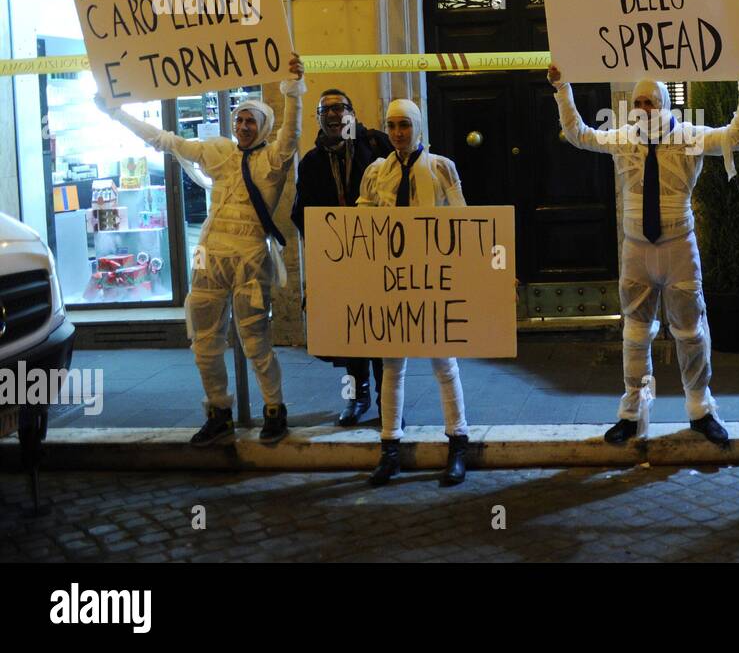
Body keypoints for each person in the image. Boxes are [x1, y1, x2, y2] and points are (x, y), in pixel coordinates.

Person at [96, 55, 306, 446]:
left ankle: (274, 410)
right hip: (208, 256)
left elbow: (292, 133)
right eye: (240, 119)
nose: (243, 126)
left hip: (248, 259)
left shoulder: (273, 160)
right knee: (205, 341)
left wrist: (293, 89)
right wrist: (117, 114)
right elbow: (164, 140)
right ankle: (218, 411)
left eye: (251, 121)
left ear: (263, 127)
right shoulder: (218, 152)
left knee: (256, 340)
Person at [548, 60, 739, 447]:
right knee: (635, 333)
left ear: (664, 103)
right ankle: (632, 413)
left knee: (691, 331)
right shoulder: (624, 138)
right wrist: (563, 89)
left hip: (678, 245)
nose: (644, 107)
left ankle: (700, 409)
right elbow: (578, 134)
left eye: (651, 101)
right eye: (639, 101)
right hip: (636, 249)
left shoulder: (688, 136)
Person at [357, 98, 471, 486]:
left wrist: (489, 271)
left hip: (433, 277)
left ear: (417, 126)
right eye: (391, 126)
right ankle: (390, 447)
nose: (397, 133)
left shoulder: (441, 167)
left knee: (444, 363)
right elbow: (359, 225)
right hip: (392, 278)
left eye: (404, 125)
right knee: (392, 365)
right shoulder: (375, 172)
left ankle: (458, 441)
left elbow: (464, 220)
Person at [290, 89, 393, 426]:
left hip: (378, 259)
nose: (333, 115)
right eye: (326, 110)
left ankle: (388, 401)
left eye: (340, 108)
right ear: (318, 118)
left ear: (353, 112)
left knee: (382, 336)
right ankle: (354, 399)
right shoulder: (312, 161)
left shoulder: (376, 145)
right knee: (348, 339)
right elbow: (301, 213)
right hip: (338, 262)